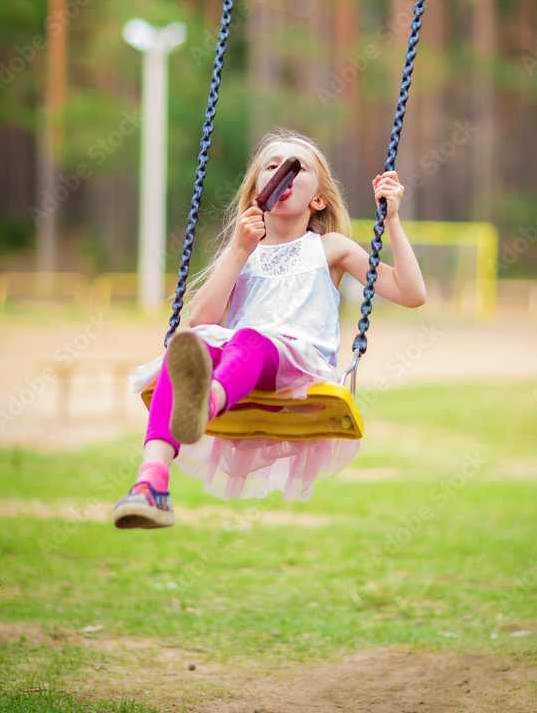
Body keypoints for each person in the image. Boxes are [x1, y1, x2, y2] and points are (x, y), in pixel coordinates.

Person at [113, 128, 426, 528]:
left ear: (318, 200)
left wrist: (393, 220)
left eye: (297, 167)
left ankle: (201, 406)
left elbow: (411, 293)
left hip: (302, 367)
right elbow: (202, 321)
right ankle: (151, 482)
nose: (282, 171)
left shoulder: (331, 248)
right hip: (240, 367)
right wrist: (240, 249)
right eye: (271, 166)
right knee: (190, 344)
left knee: (252, 338)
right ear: (257, 190)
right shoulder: (243, 252)